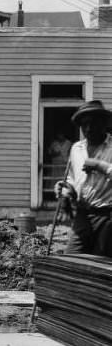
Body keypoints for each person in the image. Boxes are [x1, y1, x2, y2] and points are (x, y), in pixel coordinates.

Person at [54, 100, 112, 256]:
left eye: (93, 123)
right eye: (84, 124)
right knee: (72, 258)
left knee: (101, 264)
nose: (88, 128)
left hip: (107, 216)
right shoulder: (76, 149)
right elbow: (73, 179)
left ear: (104, 123)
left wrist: (99, 165)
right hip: (82, 215)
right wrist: (65, 190)